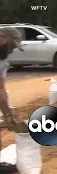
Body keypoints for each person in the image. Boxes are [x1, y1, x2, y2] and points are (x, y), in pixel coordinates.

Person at [0, 27, 24, 171]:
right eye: (12, 46)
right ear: (3, 37)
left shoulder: (3, 62)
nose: (12, 50)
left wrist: (9, 115)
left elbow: (1, 89)